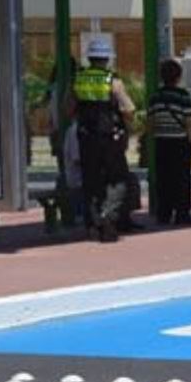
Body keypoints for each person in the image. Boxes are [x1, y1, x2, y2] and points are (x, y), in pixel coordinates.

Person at [69, 36, 138, 242]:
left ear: (90, 58)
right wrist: (128, 125)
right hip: (109, 139)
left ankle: (92, 224)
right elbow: (129, 108)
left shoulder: (78, 79)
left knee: (91, 181)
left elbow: (68, 109)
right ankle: (108, 215)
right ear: (107, 59)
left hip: (86, 137)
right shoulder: (113, 81)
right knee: (118, 180)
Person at [147, 59, 191, 224]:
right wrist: (190, 140)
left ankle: (164, 212)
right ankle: (182, 213)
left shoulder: (155, 97)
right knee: (182, 178)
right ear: (178, 76)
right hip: (180, 141)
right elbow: (189, 121)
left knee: (164, 178)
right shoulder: (183, 96)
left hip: (161, 141)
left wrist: (151, 138)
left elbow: (151, 121)